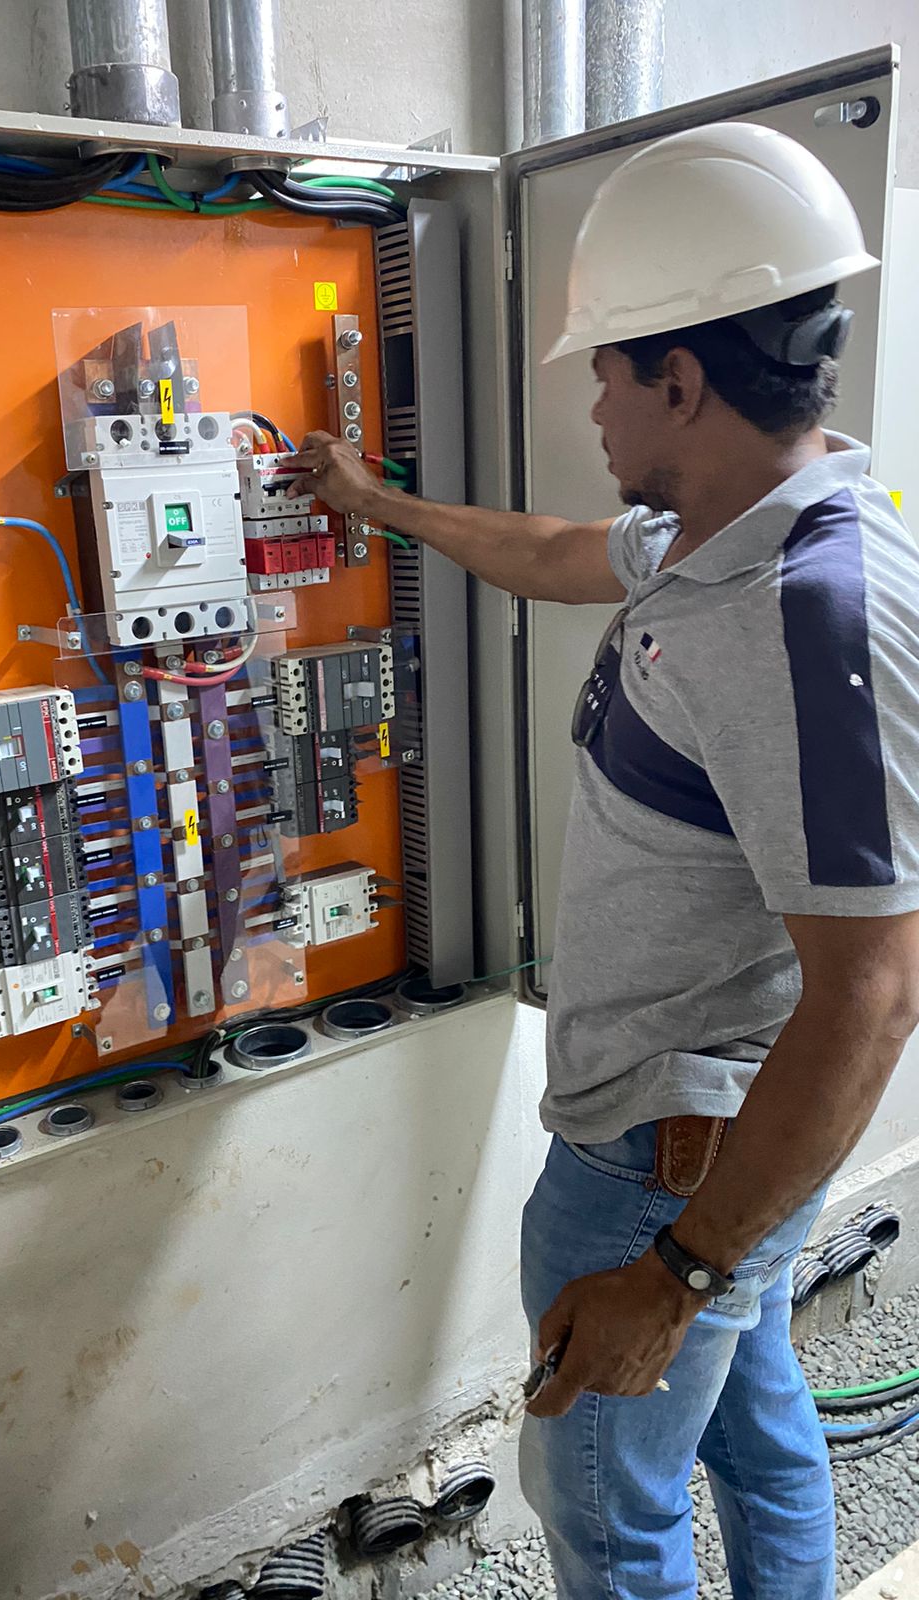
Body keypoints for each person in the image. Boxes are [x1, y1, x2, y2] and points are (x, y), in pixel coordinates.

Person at [287, 122, 919, 1599]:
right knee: (758, 1435)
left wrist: (677, 1269)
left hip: (666, 1159)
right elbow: (559, 552)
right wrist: (377, 508)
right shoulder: (741, 528)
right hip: (722, 1136)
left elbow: (877, 991)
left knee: (603, 1506)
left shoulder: (791, 613)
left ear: (681, 383)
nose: (592, 402)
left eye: (607, 371)